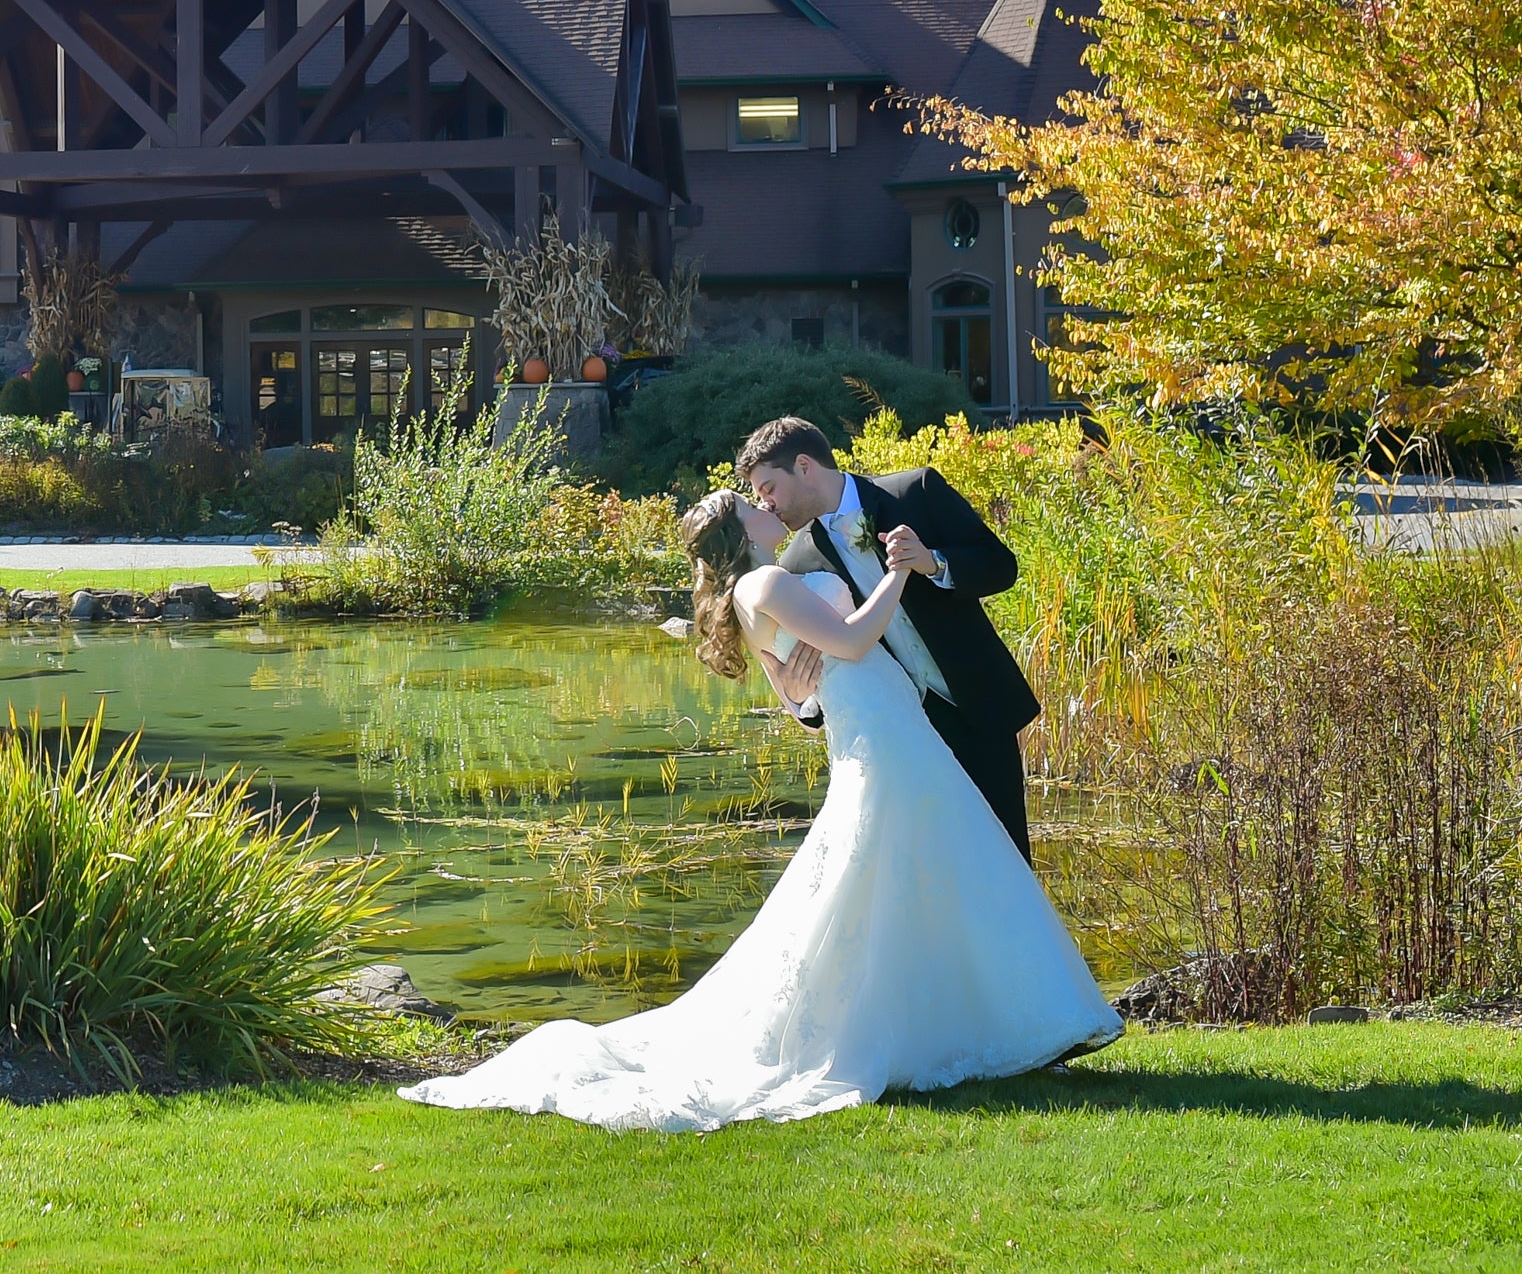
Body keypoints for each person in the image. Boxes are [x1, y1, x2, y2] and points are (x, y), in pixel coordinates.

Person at [398, 484, 1117, 1131]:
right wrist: (900, 571)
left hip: (880, 728)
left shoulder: (750, 591)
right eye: (746, 502)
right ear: (737, 529)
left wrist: (817, 678)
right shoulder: (769, 578)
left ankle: (977, 1023)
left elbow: (793, 694)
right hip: (885, 736)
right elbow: (855, 637)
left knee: (912, 876)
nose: (759, 502)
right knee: (917, 872)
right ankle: (989, 1023)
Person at [733, 415, 1038, 858]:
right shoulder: (797, 562)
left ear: (803, 465)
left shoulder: (915, 491)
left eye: (769, 489)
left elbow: (1000, 566)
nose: (767, 505)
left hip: (976, 709)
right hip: (899, 735)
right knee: (930, 874)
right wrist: (802, 700)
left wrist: (935, 564)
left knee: (1008, 863)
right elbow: (814, 671)